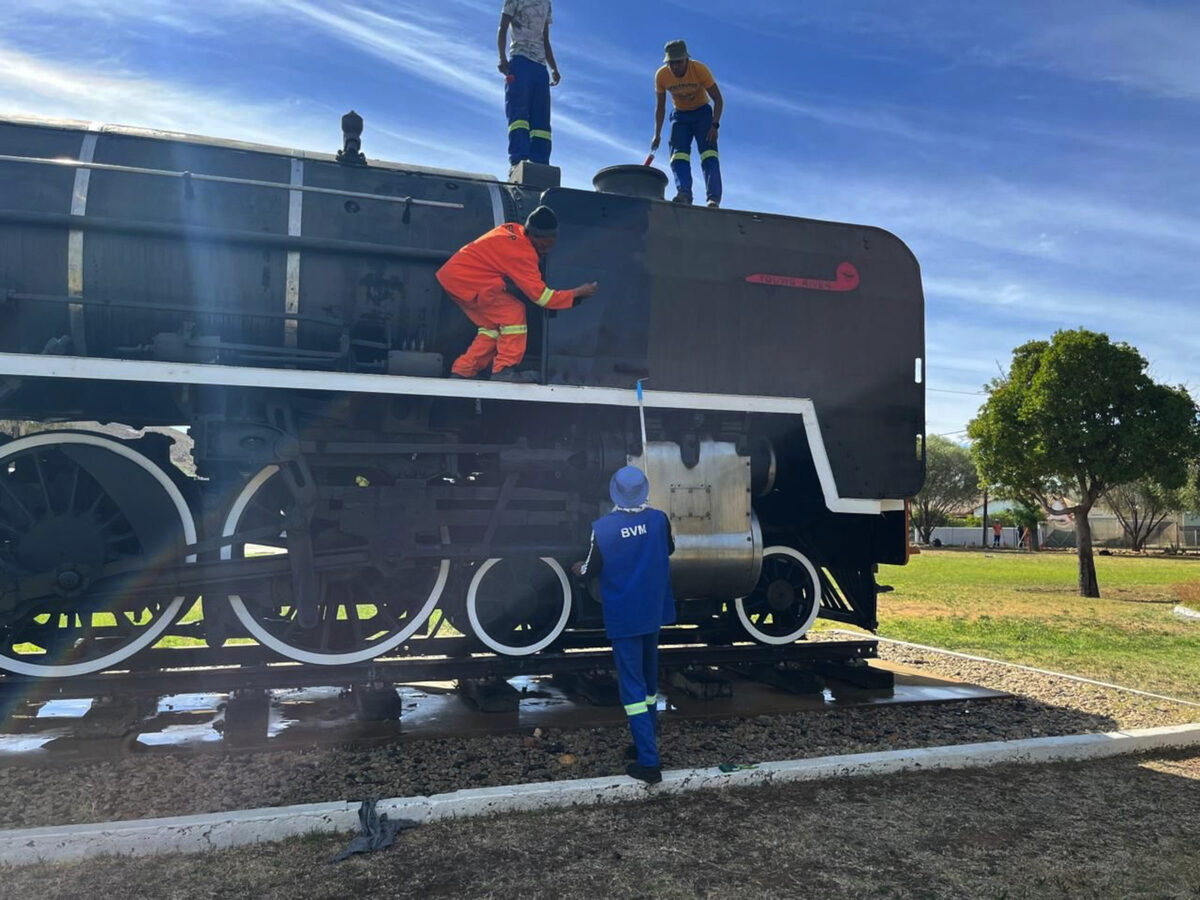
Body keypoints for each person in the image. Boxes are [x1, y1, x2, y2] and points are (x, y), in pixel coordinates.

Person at [573, 466, 675, 784]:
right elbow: (668, 548)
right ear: (644, 491)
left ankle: (648, 762)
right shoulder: (659, 520)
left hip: (624, 617)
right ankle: (644, 742)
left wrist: (576, 569)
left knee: (631, 689)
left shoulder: (602, 529)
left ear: (613, 492)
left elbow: (589, 569)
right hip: (652, 613)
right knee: (647, 684)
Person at [436, 206, 597, 381]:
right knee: (514, 312)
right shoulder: (523, 254)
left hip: (455, 279)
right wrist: (576, 293)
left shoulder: (512, 228)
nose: (548, 250)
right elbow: (543, 298)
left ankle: (462, 371)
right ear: (534, 236)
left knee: (493, 328)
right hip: (470, 280)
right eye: (546, 244)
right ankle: (504, 369)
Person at [651, 40, 724, 208]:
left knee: (709, 155)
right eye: (671, 63)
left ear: (686, 60)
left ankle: (713, 198)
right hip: (680, 116)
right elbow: (660, 107)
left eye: (679, 62)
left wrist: (714, 125)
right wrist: (657, 134)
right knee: (678, 155)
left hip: (702, 114)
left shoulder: (699, 70)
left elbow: (718, 99)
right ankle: (684, 193)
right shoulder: (661, 76)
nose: (675, 67)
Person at [498, 0, 559, 167]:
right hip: (520, 61)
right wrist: (502, 58)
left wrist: (553, 68)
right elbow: (502, 28)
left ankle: (541, 163)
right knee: (519, 114)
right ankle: (518, 161)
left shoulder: (547, 3)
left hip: (540, 68)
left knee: (541, 120)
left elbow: (545, 39)